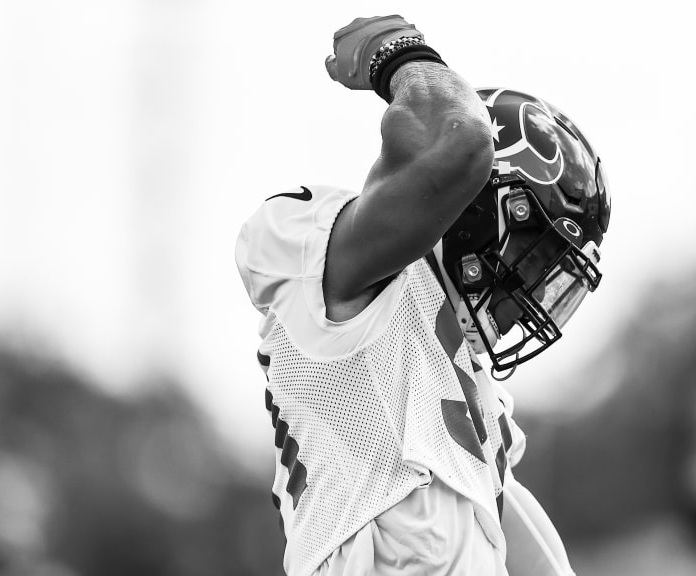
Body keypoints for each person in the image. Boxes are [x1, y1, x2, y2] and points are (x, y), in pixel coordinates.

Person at [235, 14, 611, 576]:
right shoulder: (331, 259)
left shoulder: (481, 411)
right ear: (478, 213)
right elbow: (461, 145)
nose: (526, 300)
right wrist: (402, 56)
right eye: (533, 262)